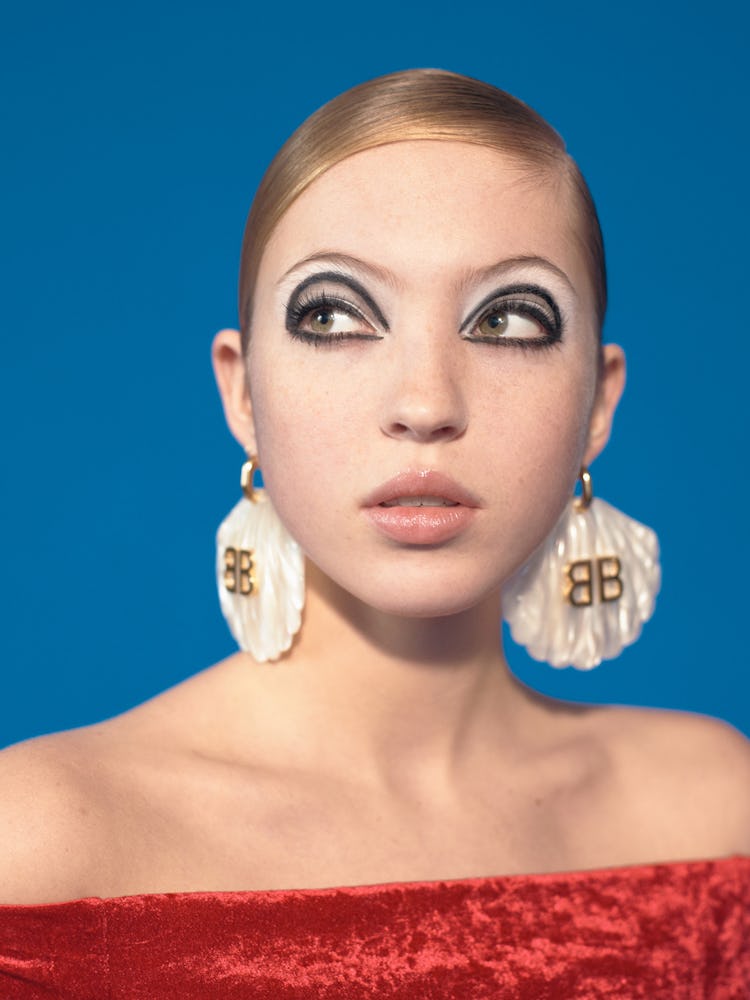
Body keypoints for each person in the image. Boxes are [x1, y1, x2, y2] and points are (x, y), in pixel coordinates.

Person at [1, 69, 748, 997]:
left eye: (509, 319)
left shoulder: (715, 812)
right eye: (334, 315)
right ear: (242, 391)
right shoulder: (41, 840)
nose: (426, 404)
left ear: (598, 401)